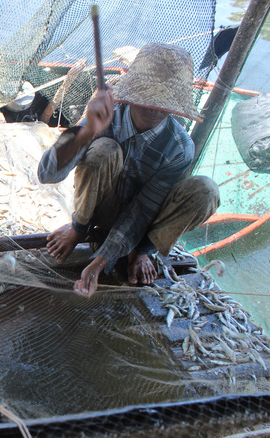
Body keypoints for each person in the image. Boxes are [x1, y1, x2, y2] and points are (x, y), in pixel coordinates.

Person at [38, 43, 220, 298]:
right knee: (104, 149)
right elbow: (47, 174)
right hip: (100, 209)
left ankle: (141, 251)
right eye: (148, 97)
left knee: (206, 191)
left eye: (164, 102)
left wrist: (101, 261)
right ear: (132, 90)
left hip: (146, 220)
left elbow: (143, 209)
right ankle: (80, 229)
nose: (155, 109)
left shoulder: (180, 147)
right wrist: (87, 130)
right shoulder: (105, 114)